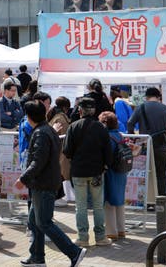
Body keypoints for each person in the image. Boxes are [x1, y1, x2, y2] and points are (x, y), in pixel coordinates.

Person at [15, 101, 86, 267]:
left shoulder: (41, 133)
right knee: (34, 222)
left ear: (29, 116)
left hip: (43, 184)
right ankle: (37, 257)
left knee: (44, 222)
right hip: (44, 183)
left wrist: (22, 179)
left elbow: (38, 161)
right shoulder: (46, 130)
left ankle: (74, 252)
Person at [63, 97, 113, 247]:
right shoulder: (101, 128)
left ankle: (83, 237)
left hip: (78, 171)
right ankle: (100, 237)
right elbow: (108, 151)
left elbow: (67, 151)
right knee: (98, 205)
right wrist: (106, 166)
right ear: (94, 111)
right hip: (97, 171)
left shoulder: (73, 126)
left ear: (80, 110)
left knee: (80, 206)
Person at [126, 86, 166, 196]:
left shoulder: (140, 108)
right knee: (161, 175)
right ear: (159, 97)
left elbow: (130, 123)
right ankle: (161, 200)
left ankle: (146, 200)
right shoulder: (165, 108)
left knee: (144, 173)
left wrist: (134, 139)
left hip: (145, 146)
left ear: (146, 97)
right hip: (161, 147)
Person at [99, 111, 128, 241]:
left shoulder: (107, 137)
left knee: (109, 201)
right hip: (121, 171)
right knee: (119, 200)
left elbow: (107, 157)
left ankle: (111, 231)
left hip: (110, 172)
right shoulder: (120, 135)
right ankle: (121, 230)